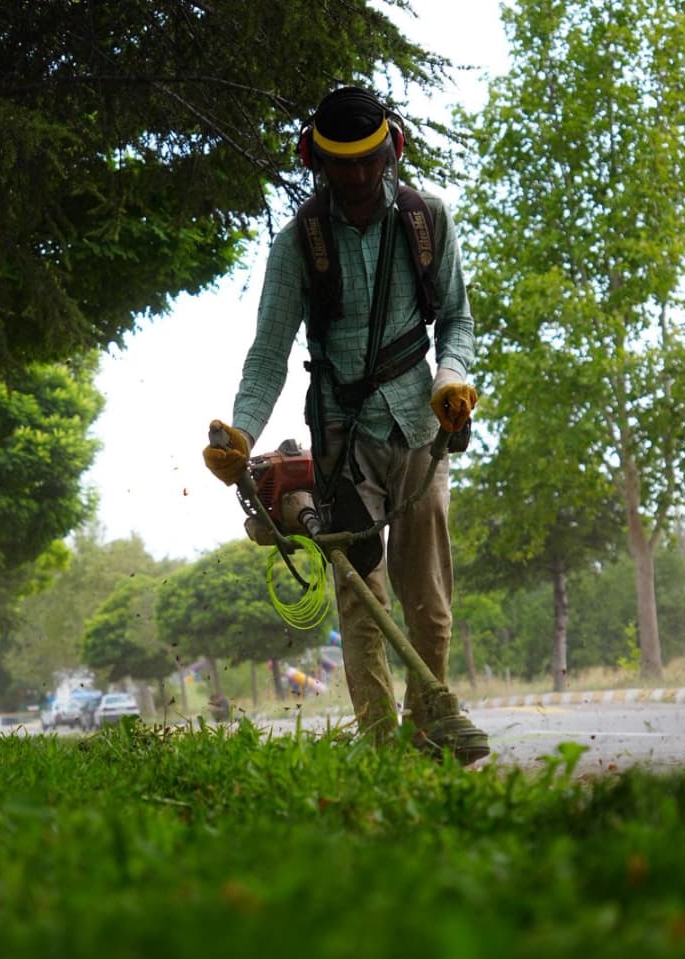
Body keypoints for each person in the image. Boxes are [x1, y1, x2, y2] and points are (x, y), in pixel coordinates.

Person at [202, 86, 476, 750]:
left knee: (429, 603)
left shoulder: (426, 219)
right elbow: (269, 351)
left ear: (391, 149)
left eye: (367, 160)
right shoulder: (299, 243)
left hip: (419, 430)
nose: (355, 177)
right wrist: (242, 434)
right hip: (340, 443)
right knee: (360, 599)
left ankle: (428, 727)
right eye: (340, 164)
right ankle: (379, 739)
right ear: (314, 159)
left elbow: (457, 321)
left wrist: (451, 379)